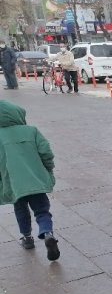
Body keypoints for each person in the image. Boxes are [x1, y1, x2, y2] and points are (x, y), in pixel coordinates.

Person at [0, 99, 60, 260]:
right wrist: (48, 169)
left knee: (20, 210)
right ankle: (47, 233)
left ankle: (27, 238)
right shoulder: (31, 131)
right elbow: (46, 152)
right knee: (42, 210)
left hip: (13, 183)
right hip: (36, 180)